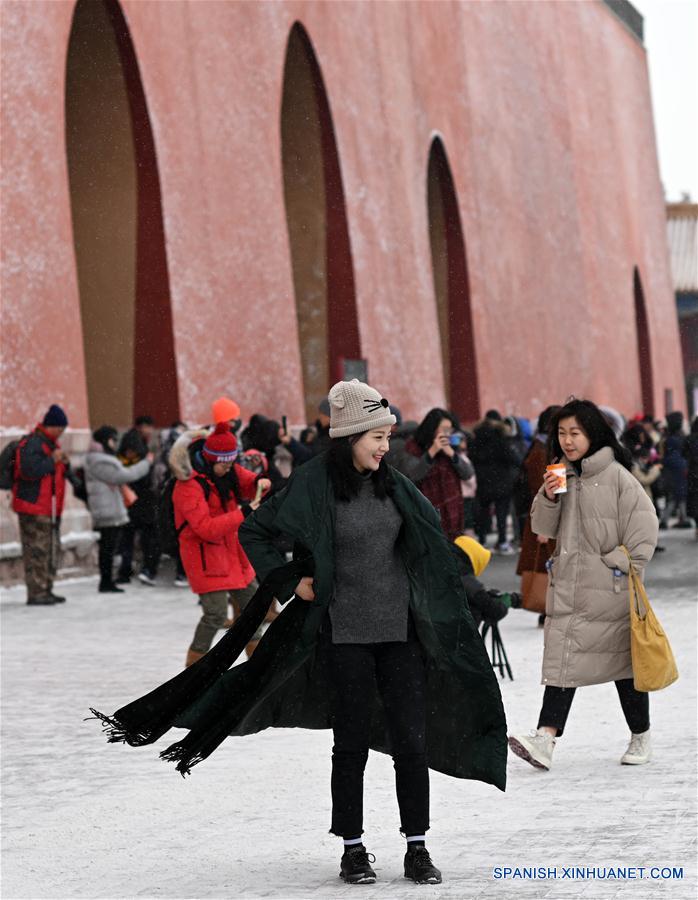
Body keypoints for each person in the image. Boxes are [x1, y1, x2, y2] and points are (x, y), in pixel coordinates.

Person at [90, 380, 507, 887]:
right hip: (343, 636)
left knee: (411, 742)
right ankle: (353, 849)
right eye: (378, 436)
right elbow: (255, 530)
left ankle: (417, 847)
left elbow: (429, 545)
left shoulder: (396, 485)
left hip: (401, 635)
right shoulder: (314, 484)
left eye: (388, 435)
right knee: (350, 743)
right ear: (351, 435)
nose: (385, 446)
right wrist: (293, 582)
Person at [508, 399, 658, 771]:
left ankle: (640, 734)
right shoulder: (560, 474)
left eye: (575, 432)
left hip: (610, 591)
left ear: (593, 433)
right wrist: (548, 496)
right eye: (562, 433)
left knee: (624, 668)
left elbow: (645, 529)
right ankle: (545, 739)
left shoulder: (618, 477)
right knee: (563, 662)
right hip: (569, 588)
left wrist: (617, 565)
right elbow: (543, 529)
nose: (568, 440)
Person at [171, 423, 271, 666]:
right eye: (224, 464)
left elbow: (247, 480)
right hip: (205, 559)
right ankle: (194, 666)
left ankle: (258, 666)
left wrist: (260, 482)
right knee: (215, 614)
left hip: (234, 555)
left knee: (254, 609)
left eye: (231, 463)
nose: (228, 468)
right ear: (210, 458)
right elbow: (205, 528)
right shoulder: (188, 485)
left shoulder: (228, 470)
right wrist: (243, 513)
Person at [11, 404, 71, 605]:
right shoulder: (33, 444)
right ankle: (37, 592)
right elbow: (29, 471)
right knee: (37, 551)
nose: (62, 433)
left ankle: (46, 588)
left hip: (49, 508)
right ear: (52, 426)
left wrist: (64, 463)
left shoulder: (50, 444)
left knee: (49, 550)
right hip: (34, 507)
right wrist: (52, 461)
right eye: (60, 428)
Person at [85, 426, 151, 593]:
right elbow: (123, 475)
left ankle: (108, 580)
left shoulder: (101, 458)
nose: (115, 444)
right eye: (113, 440)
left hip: (109, 507)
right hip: (106, 509)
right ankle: (106, 582)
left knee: (110, 547)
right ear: (106, 441)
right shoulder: (99, 461)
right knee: (108, 548)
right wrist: (145, 464)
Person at [394, 408, 474, 541]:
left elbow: (467, 474)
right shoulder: (413, 447)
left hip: (452, 512)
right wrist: (431, 452)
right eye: (444, 429)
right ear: (432, 428)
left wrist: (452, 454)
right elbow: (413, 476)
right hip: (427, 511)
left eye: (450, 430)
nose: (447, 434)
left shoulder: (450, 447)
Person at [515, 406, 560, 624]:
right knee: (548, 566)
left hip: (548, 516)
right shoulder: (541, 453)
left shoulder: (546, 449)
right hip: (544, 518)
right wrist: (543, 525)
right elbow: (540, 491)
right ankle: (547, 609)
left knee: (552, 565)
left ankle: (551, 609)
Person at [469, 410, 521, 554]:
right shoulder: (501, 437)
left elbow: (472, 456)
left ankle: (482, 539)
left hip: (482, 480)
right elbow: (513, 458)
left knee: (482, 511)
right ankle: (502, 541)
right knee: (501, 512)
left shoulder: (476, 437)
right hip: (501, 480)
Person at [116, 428, 161, 585]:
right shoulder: (121, 462)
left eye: (132, 451)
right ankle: (125, 571)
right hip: (129, 506)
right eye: (127, 450)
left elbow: (150, 483)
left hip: (145, 505)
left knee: (148, 541)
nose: (129, 454)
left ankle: (148, 569)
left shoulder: (145, 462)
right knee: (126, 541)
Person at [659, 411, 690, 528]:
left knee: (672, 495)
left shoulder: (669, 439)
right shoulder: (681, 437)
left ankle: (665, 519)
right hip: (681, 467)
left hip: (671, 469)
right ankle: (683, 518)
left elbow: (667, 455)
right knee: (680, 495)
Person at [685, 416, 698, 538]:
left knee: (694, 500)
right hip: (693, 472)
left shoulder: (689, 438)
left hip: (693, 474)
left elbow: (684, 454)